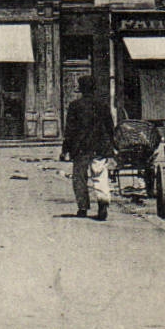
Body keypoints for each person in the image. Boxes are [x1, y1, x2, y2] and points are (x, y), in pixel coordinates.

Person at [61, 75, 115, 220]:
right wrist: (112, 145)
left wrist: (65, 150)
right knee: (100, 176)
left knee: (79, 178)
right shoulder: (103, 105)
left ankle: (83, 207)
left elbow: (69, 130)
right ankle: (103, 204)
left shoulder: (74, 106)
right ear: (94, 89)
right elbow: (110, 128)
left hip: (80, 148)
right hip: (99, 147)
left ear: (81, 89)